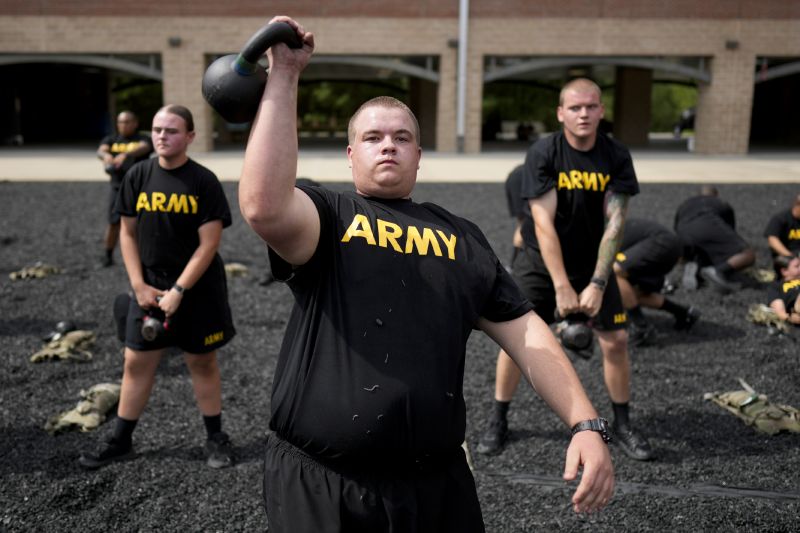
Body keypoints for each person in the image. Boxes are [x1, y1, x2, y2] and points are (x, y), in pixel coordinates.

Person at [238, 17, 614, 531]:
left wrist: (586, 423)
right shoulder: (328, 215)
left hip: (436, 484)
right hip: (323, 482)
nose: (387, 144)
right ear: (352, 156)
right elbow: (262, 207)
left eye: (401, 137)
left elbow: (528, 333)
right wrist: (284, 74)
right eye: (372, 137)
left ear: (419, 156)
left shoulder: (462, 237)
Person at [477, 78, 654, 462]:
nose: (584, 114)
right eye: (575, 108)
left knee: (617, 341)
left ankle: (622, 424)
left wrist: (597, 281)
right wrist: (561, 287)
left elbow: (616, 224)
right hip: (540, 262)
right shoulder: (544, 152)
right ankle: (499, 418)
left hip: (592, 263)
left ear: (601, 111)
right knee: (515, 338)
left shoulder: (616, 155)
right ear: (561, 113)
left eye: (591, 106)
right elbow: (543, 223)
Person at [79, 105, 236, 470]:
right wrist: (138, 285)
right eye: (157, 130)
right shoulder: (137, 174)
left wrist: (179, 291)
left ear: (190, 137)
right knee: (136, 362)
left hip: (196, 287)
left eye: (172, 130)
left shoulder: (203, 181)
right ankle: (121, 440)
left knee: (201, 361)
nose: (162, 136)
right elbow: (128, 234)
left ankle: (215, 437)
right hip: (149, 284)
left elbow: (209, 244)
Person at [613, 218, 701, 346]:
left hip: (657, 243)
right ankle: (684, 313)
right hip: (665, 247)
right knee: (630, 293)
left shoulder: (591, 237)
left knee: (613, 274)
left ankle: (641, 328)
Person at [96, 111, 153, 267]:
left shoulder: (142, 138)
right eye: (120, 122)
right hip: (117, 188)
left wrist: (125, 154)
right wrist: (106, 156)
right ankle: (107, 256)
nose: (123, 125)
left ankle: (145, 257)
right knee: (114, 222)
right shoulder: (112, 139)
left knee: (142, 223)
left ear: (135, 123)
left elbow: (145, 147)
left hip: (140, 188)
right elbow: (101, 149)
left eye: (127, 122)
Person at [673, 185, 755, 293]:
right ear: (716, 195)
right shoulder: (721, 203)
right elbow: (729, 231)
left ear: (698, 194)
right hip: (708, 225)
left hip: (683, 233)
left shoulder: (684, 204)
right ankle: (718, 271)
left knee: (700, 250)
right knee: (747, 255)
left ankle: (693, 266)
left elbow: (676, 227)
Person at [504, 164, 527, 272]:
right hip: (520, 179)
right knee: (524, 224)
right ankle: (513, 265)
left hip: (514, 177)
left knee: (522, 223)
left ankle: (514, 265)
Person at [763, 193, 800, 260]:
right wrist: (790, 256)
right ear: (797, 205)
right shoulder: (780, 218)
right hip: (786, 256)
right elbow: (772, 240)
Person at [767, 255, 800, 325]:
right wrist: (790, 318)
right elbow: (780, 311)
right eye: (797, 266)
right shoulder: (776, 286)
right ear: (784, 271)